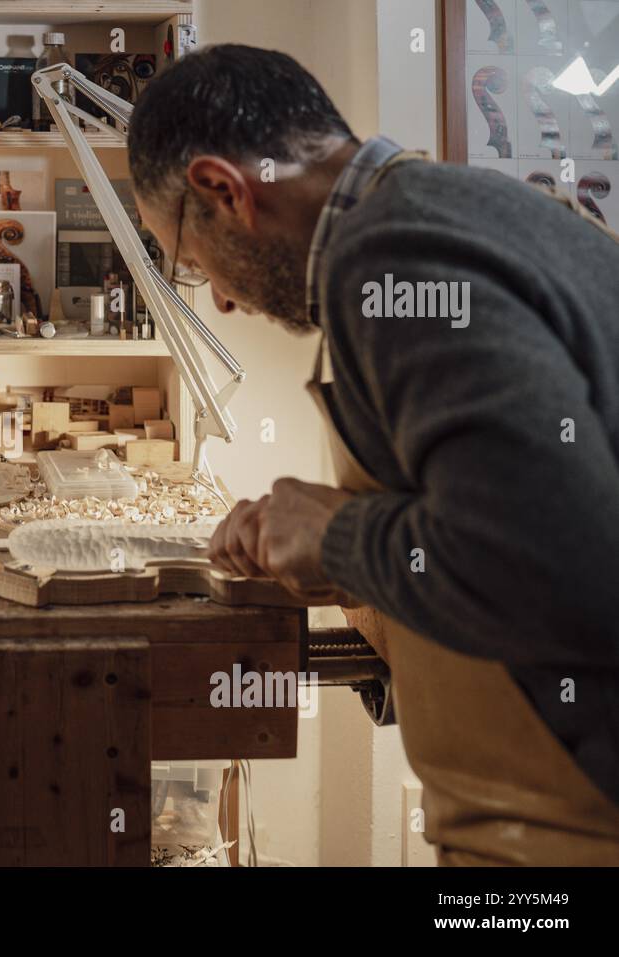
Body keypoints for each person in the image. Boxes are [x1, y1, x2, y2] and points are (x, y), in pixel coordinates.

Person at [128, 43, 619, 864]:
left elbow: (557, 562)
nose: (215, 293)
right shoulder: (457, 208)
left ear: (223, 190)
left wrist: (340, 538)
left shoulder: (394, 262)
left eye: (188, 257)